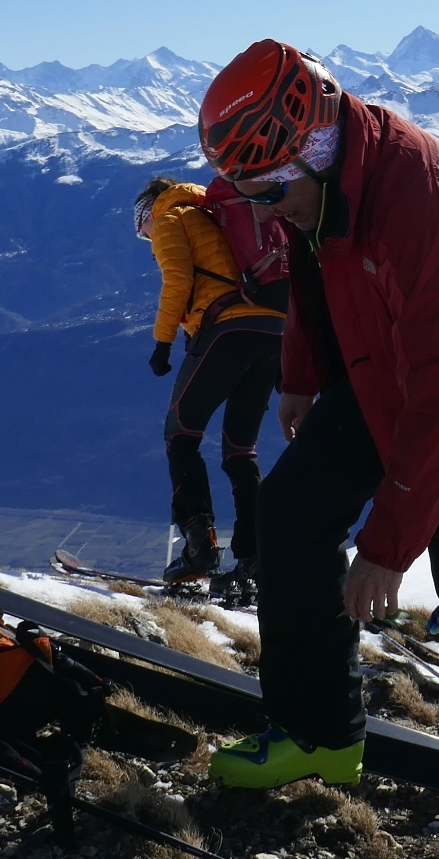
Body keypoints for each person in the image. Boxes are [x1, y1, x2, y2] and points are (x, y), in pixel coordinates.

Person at [197, 40, 439, 859]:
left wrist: (385, 547)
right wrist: (301, 374)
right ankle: (320, 732)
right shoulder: (325, 176)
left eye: (267, 191)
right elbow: (312, 262)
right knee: (291, 511)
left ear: (310, 146)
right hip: (389, 371)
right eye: (246, 194)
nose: (262, 211)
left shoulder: (424, 200)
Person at [134, 175, 287, 584]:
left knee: (181, 434)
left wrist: (162, 343)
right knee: (241, 450)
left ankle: (199, 545)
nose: (146, 238)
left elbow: (179, 281)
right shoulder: (217, 214)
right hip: (274, 331)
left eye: (141, 229)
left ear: (148, 212)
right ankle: (255, 560)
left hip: (226, 330)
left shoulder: (171, 218)